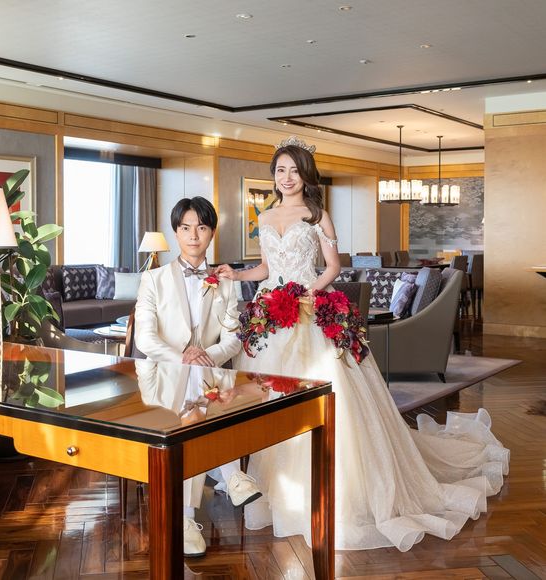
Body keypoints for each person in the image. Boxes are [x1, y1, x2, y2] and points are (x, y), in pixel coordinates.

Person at [215, 136, 509, 552]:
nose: (287, 178)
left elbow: (333, 267)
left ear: (306, 175)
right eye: (280, 170)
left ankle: (334, 483)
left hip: (308, 312)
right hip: (271, 317)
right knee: (268, 396)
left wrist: (309, 292)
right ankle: (272, 484)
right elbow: (265, 267)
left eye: (294, 170)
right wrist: (236, 274)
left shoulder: (318, 215)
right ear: (273, 176)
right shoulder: (266, 216)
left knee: (324, 393)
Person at [135, 196, 262, 558]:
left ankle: (187, 518)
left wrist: (205, 357)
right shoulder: (153, 279)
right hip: (164, 375)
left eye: (201, 228)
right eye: (186, 228)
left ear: (211, 232)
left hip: (208, 375)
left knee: (195, 405)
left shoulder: (225, 281)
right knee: (196, 398)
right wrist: (183, 357)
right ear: (176, 232)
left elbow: (233, 338)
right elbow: (145, 339)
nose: (194, 235)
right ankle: (230, 472)